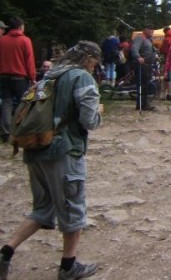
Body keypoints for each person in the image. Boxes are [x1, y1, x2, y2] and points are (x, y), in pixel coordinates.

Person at [0, 41, 103, 280]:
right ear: (88, 59)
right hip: (64, 151)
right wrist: (99, 113)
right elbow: (88, 120)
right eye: (94, 62)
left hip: (35, 148)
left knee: (43, 208)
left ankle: (6, 252)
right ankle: (68, 266)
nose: (95, 66)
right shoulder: (82, 78)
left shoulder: (48, 76)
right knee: (73, 207)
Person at [0, 17, 36, 143]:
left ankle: (5, 132)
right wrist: (32, 78)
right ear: (20, 27)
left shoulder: (2, 40)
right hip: (20, 78)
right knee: (24, 103)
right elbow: (29, 61)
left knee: (6, 103)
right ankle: (22, 129)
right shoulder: (25, 40)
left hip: (4, 76)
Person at [130, 25, 157, 111]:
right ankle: (142, 104)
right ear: (145, 30)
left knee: (146, 84)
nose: (152, 32)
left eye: (153, 30)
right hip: (142, 65)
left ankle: (144, 103)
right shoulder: (140, 38)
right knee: (142, 84)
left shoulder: (149, 39)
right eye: (150, 30)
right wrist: (138, 57)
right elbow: (134, 48)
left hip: (148, 65)